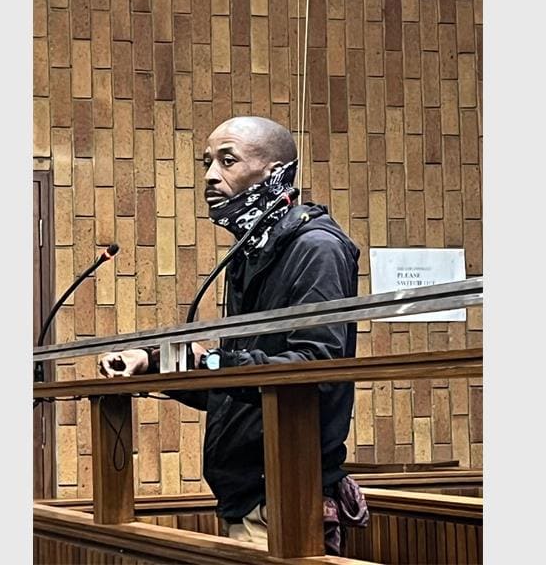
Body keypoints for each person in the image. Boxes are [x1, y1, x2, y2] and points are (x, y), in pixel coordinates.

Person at [98, 116, 367, 555]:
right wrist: (151, 360)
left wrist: (214, 363)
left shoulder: (315, 248)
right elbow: (234, 380)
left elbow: (315, 367)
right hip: (247, 493)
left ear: (276, 173)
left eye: (227, 160)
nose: (209, 175)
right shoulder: (252, 252)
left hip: (284, 494)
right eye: (207, 162)